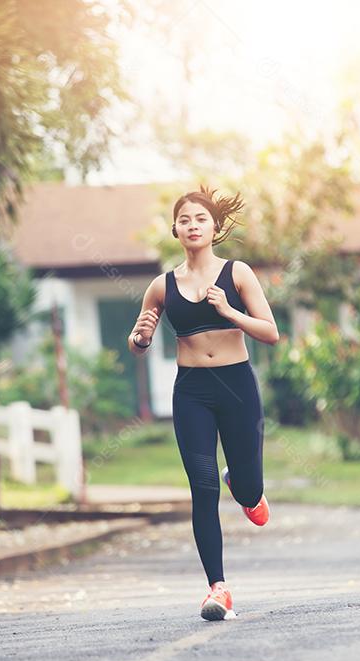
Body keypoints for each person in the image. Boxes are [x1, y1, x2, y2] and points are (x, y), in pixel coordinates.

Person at [128, 185, 280, 621]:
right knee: (202, 487)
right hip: (191, 390)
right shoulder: (161, 286)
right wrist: (139, 338)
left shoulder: (238, 274)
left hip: (236, 386)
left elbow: (270, 332)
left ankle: (245, 487)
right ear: (175, 230)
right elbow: (139, 343)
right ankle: (218, 589)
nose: (193, 225)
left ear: (214, 227)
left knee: (249, 489)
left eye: (200, 219)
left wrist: (229, 312)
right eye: (184, 220)